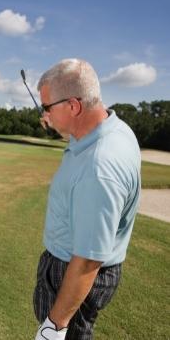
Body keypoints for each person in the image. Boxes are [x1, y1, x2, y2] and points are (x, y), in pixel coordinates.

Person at [33, 59, 141, 340]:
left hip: (73, 274)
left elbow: (88, 260)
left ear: (73, 106)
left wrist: (54, 327)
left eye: (47, 107)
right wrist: (57, 123)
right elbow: (80, 134)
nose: (43, 114)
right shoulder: (110, 129)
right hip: (74, 265)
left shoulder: (100, 167)